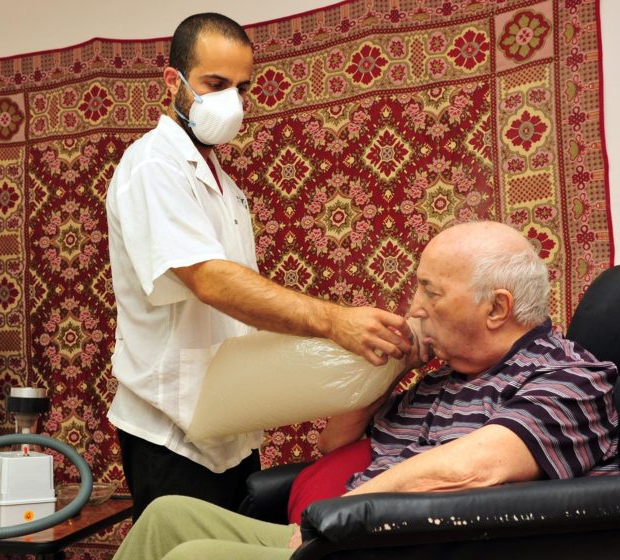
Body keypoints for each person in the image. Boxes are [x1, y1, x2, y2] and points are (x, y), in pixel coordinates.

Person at [43, 221, 619, 560]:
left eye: (430, 291)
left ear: (495, 309)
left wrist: (335, 520)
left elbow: (477, 466)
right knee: (167, 520)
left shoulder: (567, 380)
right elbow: (333, 445)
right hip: (357, 549)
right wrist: (386, 368)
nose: (412, 305)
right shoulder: (444, 378)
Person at [106, 13, 412, 520]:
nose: (232, 102)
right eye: (215, 84)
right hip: (171, 430)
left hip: (230, 424)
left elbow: (241, 306)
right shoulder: (153, 167)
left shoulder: (227, 187)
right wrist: (335, 322)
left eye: (242, 88)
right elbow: (210, 279)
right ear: (172, 82)